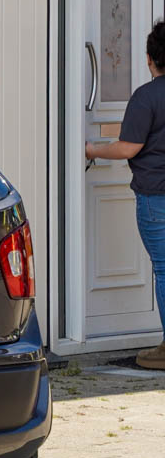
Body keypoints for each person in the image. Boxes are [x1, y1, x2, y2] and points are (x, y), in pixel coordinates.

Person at [87, 19, 165, 369]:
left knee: (164, 270)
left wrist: (91, 150)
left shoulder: (146, 97)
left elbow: (129, 147)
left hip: (155, 197)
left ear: (150, 59)